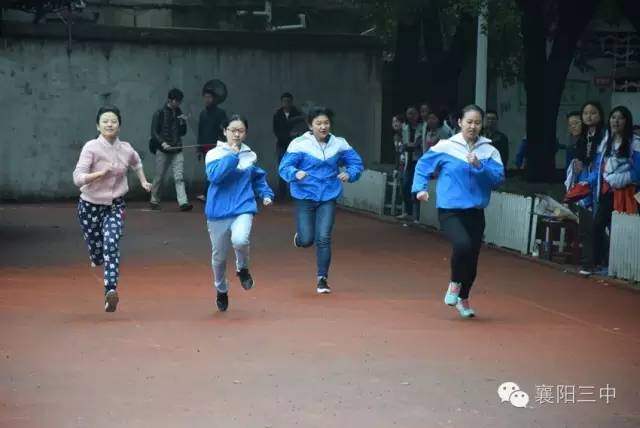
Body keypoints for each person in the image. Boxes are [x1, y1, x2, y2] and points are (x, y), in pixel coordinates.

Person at [412, 105, 505, 318]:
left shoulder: (489, 151)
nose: (473, 126)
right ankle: (454, 283)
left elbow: (498, 180)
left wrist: (480, 166)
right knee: (462, 244)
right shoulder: (446, 146)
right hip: (450, 209)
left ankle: (464, 298)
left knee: (472, 259)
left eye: (477, 122)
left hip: (475, 210)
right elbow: (423, 166)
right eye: (469, 122)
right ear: (460, 122)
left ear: (482, 125)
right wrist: (420, 189)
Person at [73, 105, 152, 312]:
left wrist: (143, 181)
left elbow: (136, 162)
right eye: (105, 121)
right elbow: (77, 178)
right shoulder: (91, 148)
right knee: (98, 252)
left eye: (114, 121)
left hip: (115, 205)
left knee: (111, 243)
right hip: (90, 205)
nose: (110, 124)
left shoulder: (126, 148)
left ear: (119, 126)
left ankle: (110, 291)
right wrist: (98, 175)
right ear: (98, 126)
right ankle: (96, 257)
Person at [279, 106, 364, 294]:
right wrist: (295, 173)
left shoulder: (339, 144)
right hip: (305, 195)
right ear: (310, 125)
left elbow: (356, 163)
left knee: (324, 237)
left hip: (328, 195)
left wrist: (350, 174)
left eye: (326, 123)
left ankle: (322, 279)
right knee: (307, 239)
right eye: (318, 123)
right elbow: (284, 167)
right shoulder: (299, 144)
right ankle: (301, 238)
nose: (323, 127)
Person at [204, 115, 274, 312]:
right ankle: (221, 288)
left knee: (241, 240)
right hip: (218, 211)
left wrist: (266, 193)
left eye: (241, 131)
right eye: (233, 130)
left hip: (243, 206)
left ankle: (242, 268)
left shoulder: (250, 154)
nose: (237, 134)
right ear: (224, 131)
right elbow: (215, 177)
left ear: (245, 133)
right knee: (219, 258)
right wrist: (232, 157)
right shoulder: (214, 154)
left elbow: (257, 177)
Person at [585, 106, 640, 275]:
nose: (616, 121)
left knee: (625, 229)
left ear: (626, 121)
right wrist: (588, 183)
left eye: (620, 118)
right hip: (607, 192)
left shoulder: (635, 143)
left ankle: (626, 267)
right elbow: (598, 167)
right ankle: (595, 262)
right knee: (598, 225)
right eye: (613, 117)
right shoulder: (605, 141)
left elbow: (638, 171)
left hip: (628, 193)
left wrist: (618, 179)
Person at [564, 101, 607, 276]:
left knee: (598, 225)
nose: (589, 116)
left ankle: (599, 261)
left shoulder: (604, 136)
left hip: (599, 185)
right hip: (584, 185)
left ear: (600, 115)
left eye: (593, 113)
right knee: (586, 225)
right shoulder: (582, 138)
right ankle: (588, 262)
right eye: (586, 113)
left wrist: (588, 181)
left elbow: (601, 164)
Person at [149, 88, 192, 211]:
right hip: (163, 150)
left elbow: (182, 133)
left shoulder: (179, 113)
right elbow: (154, 132)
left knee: (179, 177)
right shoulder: (159, 113)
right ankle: (154, 199)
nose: (178, 103)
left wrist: (183, 123)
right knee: (159, 176)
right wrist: (162, 143)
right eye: (176, 101)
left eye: (179, 101)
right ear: (170, 100)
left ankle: (183, 202)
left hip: (177, 149)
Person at [196, 84, 228, 202]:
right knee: (210, 171)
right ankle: (209, 194)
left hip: (218, 147)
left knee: (216, 172)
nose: (207, 99)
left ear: (214, 99)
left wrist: (224, 144)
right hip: (205, 148)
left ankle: (211, 194)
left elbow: (225, 130)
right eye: (205, 97)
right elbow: (200, 132)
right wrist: (198, 149)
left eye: (209, 97)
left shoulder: (221, 113)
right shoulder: (202, 114)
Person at [273, 92, 303, 199]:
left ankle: (295, 193)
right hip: (282, 144)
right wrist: (285, 137)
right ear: (282, 102)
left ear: (291, 102)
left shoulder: (297, 113)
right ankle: (282, 194)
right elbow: (275, 130)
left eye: (288, 101)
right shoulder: (277, 114)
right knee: (282, 167)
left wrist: (294, 138)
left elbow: (300, 129)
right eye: (284, 101)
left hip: (294, 145)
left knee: (295, 167)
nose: (286, 103)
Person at [397, 106, 421, 221]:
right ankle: (408, 211)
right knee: (405, 186)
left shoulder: (422, 127)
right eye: (408, 114)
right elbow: (404, 144)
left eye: (413, 113)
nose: (411, 116)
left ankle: (417, 215)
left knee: (417, 187)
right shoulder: (405, 128)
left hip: (419, 160)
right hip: (408, 160)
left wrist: (410, 145)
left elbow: (418, 144)